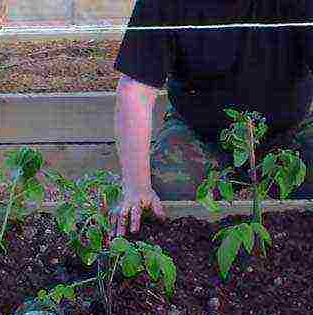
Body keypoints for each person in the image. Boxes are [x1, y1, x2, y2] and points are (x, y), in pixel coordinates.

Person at [111, 1, 313, 236]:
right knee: (162, 196)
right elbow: (136, 90)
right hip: (199, 134)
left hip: (289, 132)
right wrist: (137, 186)